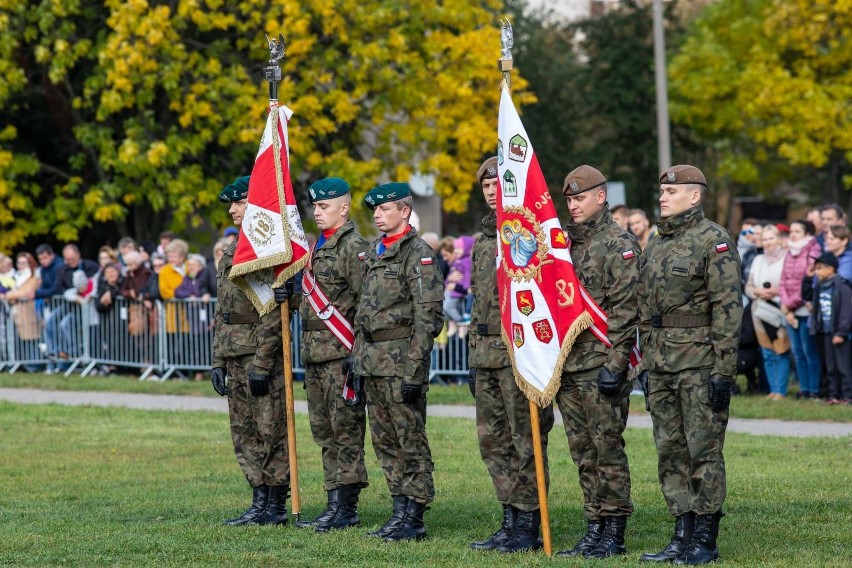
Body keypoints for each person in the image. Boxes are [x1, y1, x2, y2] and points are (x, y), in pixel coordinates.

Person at [638, 165, 742, 565]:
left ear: (694, 196)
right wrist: (646, 362)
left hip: (699, 362)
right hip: (661, 362)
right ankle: (680, 534)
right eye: (662, 190)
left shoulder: (713, 240)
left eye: (672, 191)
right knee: (670, 450)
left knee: (704, 449)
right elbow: (646, 307)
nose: (663, 197)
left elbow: (728, 310)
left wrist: (723, 371)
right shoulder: (656, 242)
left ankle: (705, 539)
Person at [466, 157, 555, 553]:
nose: (489, 190)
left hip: (518, 353)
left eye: (495, 183)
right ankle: (510, 518)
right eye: (484, 184)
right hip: (485, 353)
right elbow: (476, 303)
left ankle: (530, 522)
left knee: (526, 440)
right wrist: (471, 354)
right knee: (493, 441)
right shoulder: (484, 241)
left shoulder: (524, 234)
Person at [554, 165, 639, 559]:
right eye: (569, 199)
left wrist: (617, 364)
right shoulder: (561, 246)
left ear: (600, 197)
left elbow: (625, 311)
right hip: (568, 364)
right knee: (582, 450)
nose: (573, 205)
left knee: (607, 449)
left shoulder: (618, 244)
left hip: (601, 362)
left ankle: (614, 530)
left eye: (580, 198)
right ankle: (594, 525)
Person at [278, 177, 370, 533]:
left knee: (345, 429)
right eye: (314, 207)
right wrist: (293, 295)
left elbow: (365, 304)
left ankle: (346, 507)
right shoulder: (317, 247)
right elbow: (314, 304)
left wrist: (357, 354)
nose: (317, 212)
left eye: (324, 206)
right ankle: (333, 501)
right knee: (324, 431)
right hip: (316, 356)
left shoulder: (352, 247)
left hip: (340, 354)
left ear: (343, 209)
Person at [353, 182, 443, 542]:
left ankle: (415, 514)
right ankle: (399, 508)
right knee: (385, 440)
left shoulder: (416, 253)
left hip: (401, 361)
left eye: (385, 209)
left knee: (409, 438)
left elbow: (428, 317)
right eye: (375, 210)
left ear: (404, 211)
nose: (377, 215)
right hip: (373, 362)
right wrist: (357, 361)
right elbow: (365, 313)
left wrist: (414, 370)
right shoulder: (377, 252)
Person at [210, 175, 290, 526]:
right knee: (243, 431)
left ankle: (275, 504)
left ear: (254, 204)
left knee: (270, 429)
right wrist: (217, 361)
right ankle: (257, 499)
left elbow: (272, 313)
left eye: (239, 202)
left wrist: (262, 362)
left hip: (259, 356)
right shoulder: (232, 250)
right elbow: (222, 312)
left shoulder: (264, 249)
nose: (232, 209)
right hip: (233, 354)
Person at [745, 225, 791, 400]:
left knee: (781, 349)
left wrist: (777, 291)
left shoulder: (787, 258)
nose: (768, 242)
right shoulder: (757, 260)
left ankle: (780, 390)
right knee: (767, 352)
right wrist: (757, 292)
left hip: (780, 309)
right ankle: (772, 390)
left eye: (771, 238)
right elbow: (748, 286)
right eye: (765, 239)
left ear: (779, 238)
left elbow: (792, 284)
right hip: (760, 310)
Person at [779, 220, 822, 399]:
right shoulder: (789, 251)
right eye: (792, 231)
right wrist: (786, 304)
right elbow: (783, 280)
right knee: (797, 352)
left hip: (805, 307)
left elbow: (809, 281)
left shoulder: (814, 251)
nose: (793, 234)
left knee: (808, 351)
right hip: (790, 308)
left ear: (807, 233)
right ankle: (803, 389)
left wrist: (789, 304)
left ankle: (814, 390)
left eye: (797, 231)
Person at [810, 253, 852, 405]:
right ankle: (833, 395)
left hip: (839, 334)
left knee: (843, 366)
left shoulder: (842, 287)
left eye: (820, 269)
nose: (817, 272)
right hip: (825, 332)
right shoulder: (820, 287)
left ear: (831, 269)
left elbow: (846, 313)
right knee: (830, 366)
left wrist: (841, 332)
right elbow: (816, 309)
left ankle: (847, 395)